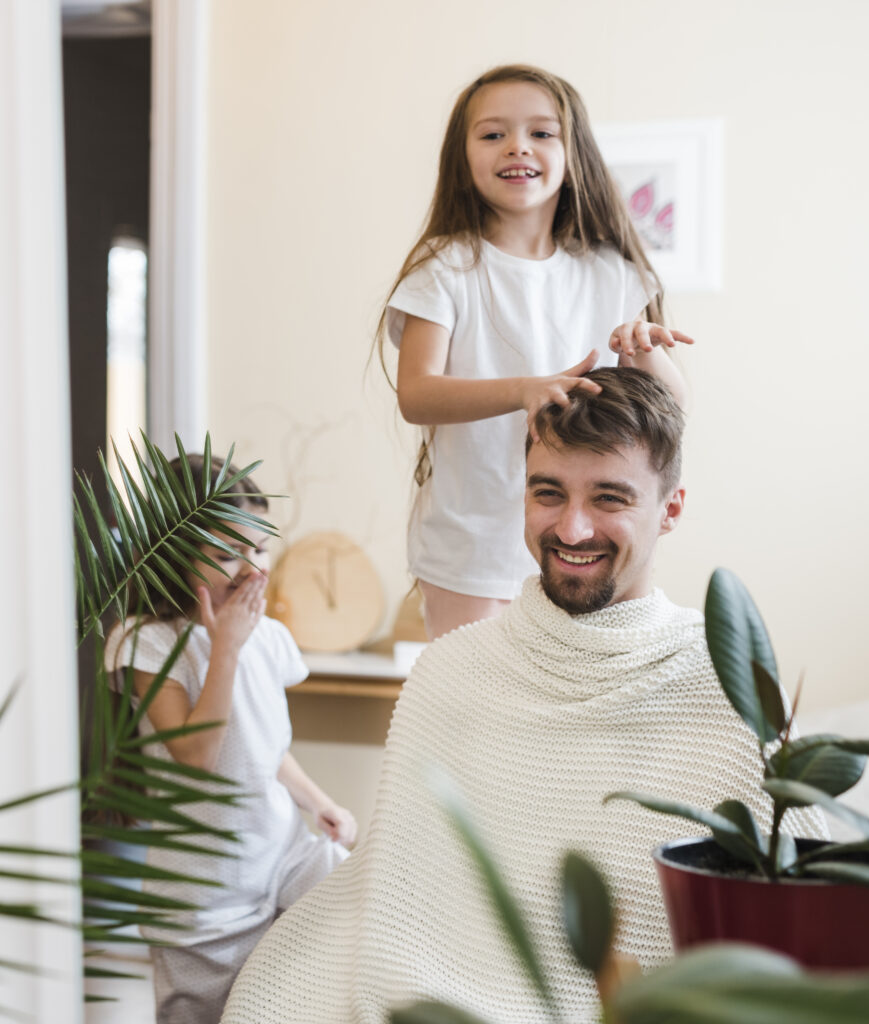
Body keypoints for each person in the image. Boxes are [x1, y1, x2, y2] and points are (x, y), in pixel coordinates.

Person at [221, 368, 827, 1024]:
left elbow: (799, 907)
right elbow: (396, 888)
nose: (571, 528)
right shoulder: (451, 670)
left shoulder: (724, 685)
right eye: (549, 493)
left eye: (609, 499)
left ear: (670, 509)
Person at [379, 63, 694, 639]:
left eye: (541, 133)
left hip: (587, 538)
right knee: (476, 711)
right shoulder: (444, 269)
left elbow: (669, 410)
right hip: (473, 550)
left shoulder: (613, 275)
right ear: (463, 156)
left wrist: (647, 353)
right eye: (493, 134)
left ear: (573, 153)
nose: (517, 147)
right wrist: (525, 389)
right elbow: (417, 394)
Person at [104, 454, 357, 1024]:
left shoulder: (268, 636)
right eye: (224, 554)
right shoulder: (145, 642)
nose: (250, 569)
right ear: (170, 555)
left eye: (260, 548)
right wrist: (225, 651)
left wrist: (320, 804)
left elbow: (264, 748)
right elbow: (196, 757)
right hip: (206, 886)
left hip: (284, 850)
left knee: (357, 916)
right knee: (201, 1014)